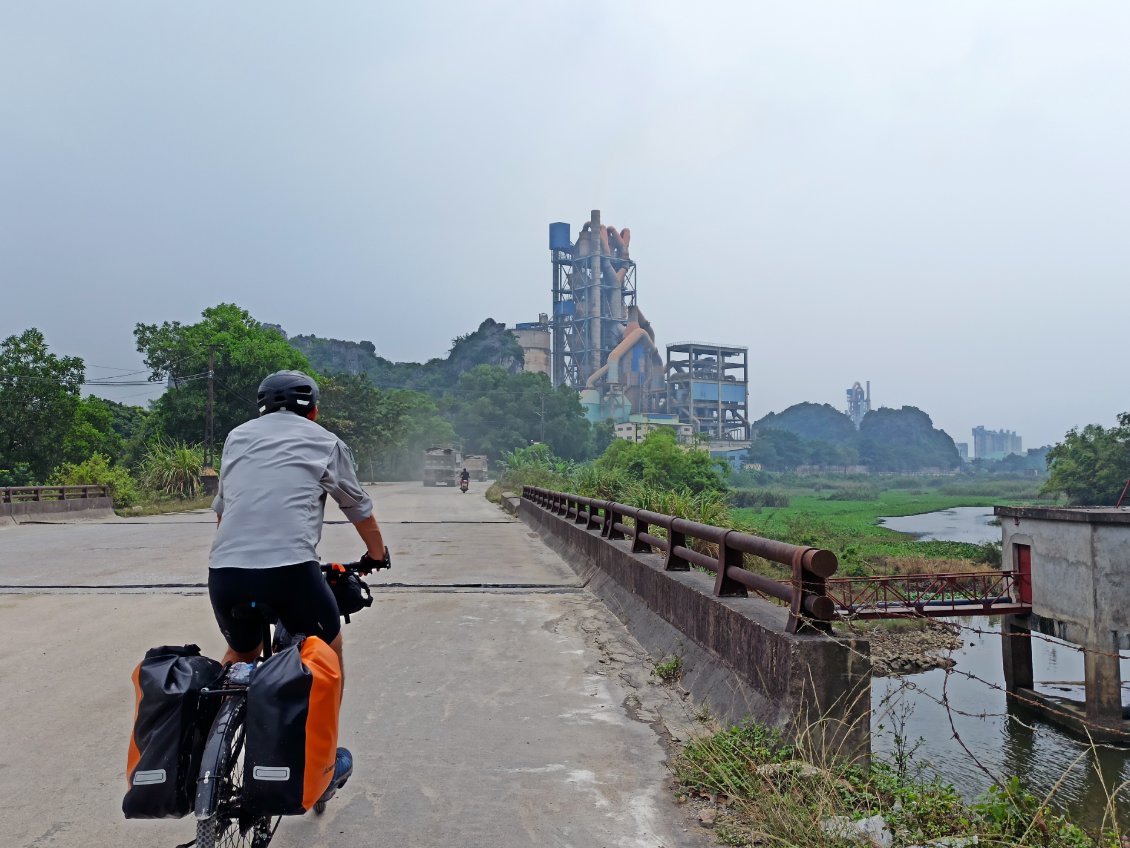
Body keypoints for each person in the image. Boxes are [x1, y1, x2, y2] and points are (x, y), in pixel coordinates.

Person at [207, 369, 386, 803]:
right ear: (314, 410)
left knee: (241, 654)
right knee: (328, 649)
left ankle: (208, 747)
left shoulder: (236, 438)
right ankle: (323, 760)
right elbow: (356, 507)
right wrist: (377, 555)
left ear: (261, 407)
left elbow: (223, 509)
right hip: (290, 572)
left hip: (226, 572)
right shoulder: (325, 441)